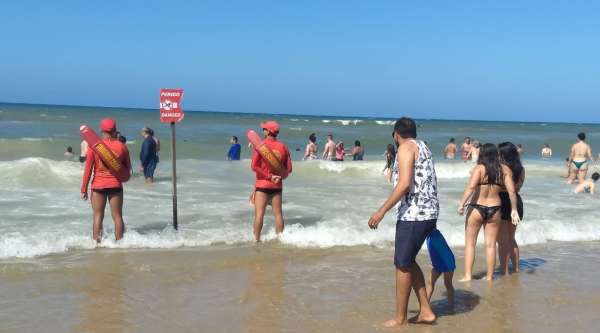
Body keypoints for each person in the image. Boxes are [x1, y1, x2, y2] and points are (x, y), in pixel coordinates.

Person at [367, 117, 439, 327]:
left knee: (402, 265)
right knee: (407, 261)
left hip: (415, 214)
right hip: (429, 211)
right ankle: (425, 311)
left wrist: (381, 211)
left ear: (396, 135)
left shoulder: (405, 148)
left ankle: (400, 318)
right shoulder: (423, 146)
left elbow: (405, 183)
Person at [458, 143, 520, 281]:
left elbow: (471, 187)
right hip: (495, 208)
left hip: (476, 207)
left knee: (470, 243)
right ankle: (490, 276)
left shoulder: (479, 168)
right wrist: (514, 209)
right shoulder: (504, 169)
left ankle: (468, 275)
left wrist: (461, 203)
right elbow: (511, 191)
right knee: (491, 245)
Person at [80, 118, 132, 243]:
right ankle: (120, 244)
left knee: (98, 216)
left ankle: (97, 244)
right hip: (115, 185)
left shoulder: (95, 147)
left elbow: (88, 170)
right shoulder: (122, 146)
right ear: (115, 130)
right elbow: (128, 169)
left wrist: (83, 190)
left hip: (98, 186)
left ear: (102, 130)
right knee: (118, 216)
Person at [251, 121, 293, 242]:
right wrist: (279, 176)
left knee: (259, 214)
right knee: (278, 214)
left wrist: (268, 177)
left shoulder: (261, 146)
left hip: (262, 185)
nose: (262, 130)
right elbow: (289, 169)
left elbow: (254, 166)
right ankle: (280, 240)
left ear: (268, 131)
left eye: (264, 128)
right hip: (277, 186)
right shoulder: (283, 147)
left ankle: (256, 240)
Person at [498, 142, 525, 276]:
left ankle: (504, 271)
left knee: (502, 240)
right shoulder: (521, 168)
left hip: (503, 201)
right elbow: (517, 187)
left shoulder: (502, 168)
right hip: (517, 202)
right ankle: (516, 268)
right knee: (511, 238)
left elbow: (502, 186)